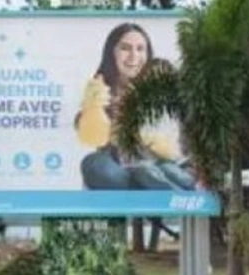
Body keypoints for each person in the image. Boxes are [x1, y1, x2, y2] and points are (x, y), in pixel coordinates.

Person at [75, 24, 197, 191]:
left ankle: (160, 189)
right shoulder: (99, 91)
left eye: (140, 49)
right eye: (125, 48)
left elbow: (181, 144)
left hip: (167, 167)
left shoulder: (162, 88)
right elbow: (93, 137)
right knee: (95, 164)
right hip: (129, 173)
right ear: (112, 53)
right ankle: (153, 190)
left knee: (158, 170)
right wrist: (94, 108)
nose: (134, 56)